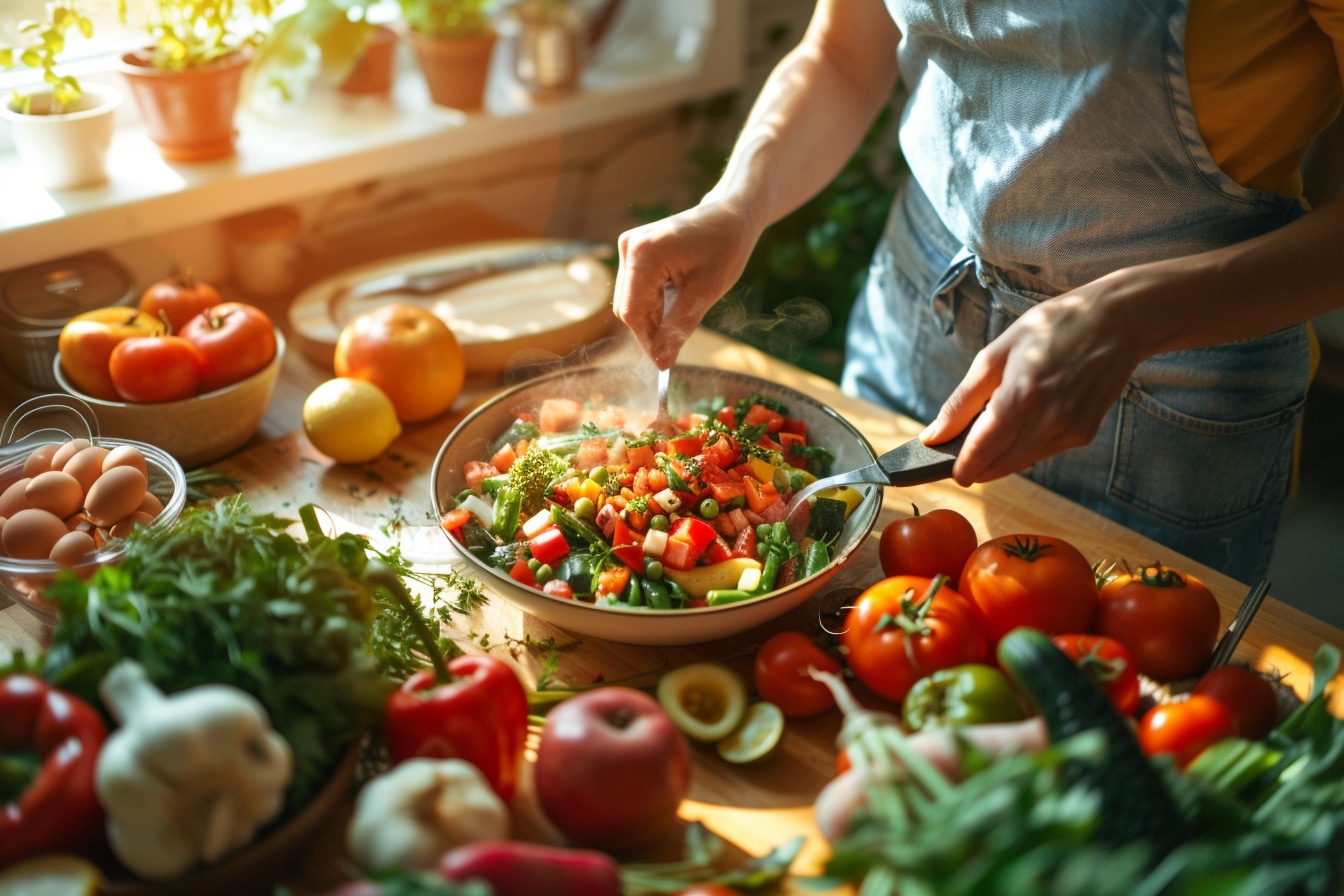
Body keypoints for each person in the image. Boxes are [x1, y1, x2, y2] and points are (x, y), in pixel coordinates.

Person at [611, 0, 1344, 585]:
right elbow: (840, 55)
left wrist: (1131, 316)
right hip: (918, 312)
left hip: (1174, 390)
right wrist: (736, 203)